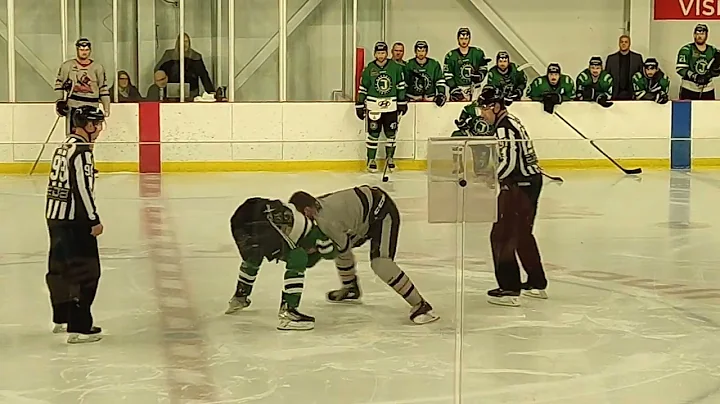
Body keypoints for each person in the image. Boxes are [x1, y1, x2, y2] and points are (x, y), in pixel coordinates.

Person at [289, 186, 439, 325]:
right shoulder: (319, 208)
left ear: (307, 211)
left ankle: (421, 305)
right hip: (368, 213)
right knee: (339, 245)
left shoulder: (325, 221)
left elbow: (341, 247)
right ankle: (350, 287)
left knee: (381, 263)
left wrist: (314, 251)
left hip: (381, 214)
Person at [475, 87, 547, 307]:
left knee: (502, 235)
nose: (482, 114)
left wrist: (491, 178)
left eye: (484, 109)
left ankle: (509, 289)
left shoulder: (504, 128)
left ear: (496, 107)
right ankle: (536, 283)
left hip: (518, 186)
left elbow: (510, 162)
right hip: (530, 182)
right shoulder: (510, 121)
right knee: (523, 235)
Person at [226, 197, 338, 330]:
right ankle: (288, 313)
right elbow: (329, 251)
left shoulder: (293, 218)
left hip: (241, 219)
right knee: (298, 256)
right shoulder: (311, 231)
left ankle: (240, 297)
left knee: (255, 254)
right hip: (262, 219)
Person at [45, 105, 106, 344]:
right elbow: (81, 189)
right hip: (75, 221)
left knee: (59, 269)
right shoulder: (81, 151)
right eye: (97, 124)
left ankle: (62, 318)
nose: (100, 129)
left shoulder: (64, 146)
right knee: (86, 272)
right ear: (87, 125)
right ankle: (79, 327)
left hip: (55, 217)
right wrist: (93, 219)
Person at [356, 41, 407, 173]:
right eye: (378, 53)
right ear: (374, 54)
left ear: (387, 52)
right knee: (373, 134)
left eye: (383, 52)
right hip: (374, 107)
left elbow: (400, 85)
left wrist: (402, 102)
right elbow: (363, 88)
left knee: (391, 134)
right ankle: (371, 160)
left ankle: (390, 158)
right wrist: (360, 103)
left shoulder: (395, 67)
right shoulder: (369, 69)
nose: (380, 55)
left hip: (391, 107)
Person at [54, 38, 111, 133]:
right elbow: (59, 83)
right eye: (81, 50)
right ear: (77, 50)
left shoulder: (97, 68)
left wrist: (106, 107)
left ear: (90, 50)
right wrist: (60, 102)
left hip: (92, 106)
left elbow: (103, 88)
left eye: (86, 50)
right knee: (73, 133)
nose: (84, 52)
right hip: (73, 106)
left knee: (90, 133)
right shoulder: (67, 66)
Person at [156, 33, 215, 100]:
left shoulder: (195, 56)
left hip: (192, 93)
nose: (184, 44)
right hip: (171, 94)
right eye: (182, 41)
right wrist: (162, 83)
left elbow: (204, 76)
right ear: (178, 43)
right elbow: (158, 71)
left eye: (186, 41)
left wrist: (211, 92)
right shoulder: (169, 55)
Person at [443, 27, 491, 101]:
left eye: (466, 39)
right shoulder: (451, 56)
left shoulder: (478, 53)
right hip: (458, 89)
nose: (464, 41)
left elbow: (483, 67)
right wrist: (454, 88)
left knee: (476, 109)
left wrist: (480, 76)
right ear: (458, 39)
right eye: (462, 39)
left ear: (469, 39)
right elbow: (447, 74)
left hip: (475, 88)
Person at [676, 24, 719, 100]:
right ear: (694, 34)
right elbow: (680, 69)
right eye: (697, 33)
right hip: (689, 89)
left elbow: (716, 69)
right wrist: (695, 76)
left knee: (708, 111)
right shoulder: (686, 49)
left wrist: (711, 74)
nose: (699, 36)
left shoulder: (713, 50)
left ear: (706, 35)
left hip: (708, 89)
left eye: (702, 33)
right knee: (686, 111)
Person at [404, 41, 447, 106]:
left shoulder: (434, 64)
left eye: (423, 51)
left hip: (430, 98)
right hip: (412, 99)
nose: (421, 53)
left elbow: (439, 81)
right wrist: (402, 97)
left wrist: (441, 94)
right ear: (415, 51)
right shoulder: (408, 65)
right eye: (419, 51)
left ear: (426, 52)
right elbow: (404, 83)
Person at [605, 35, 644, 100]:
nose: (623, 44)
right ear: (619, 44)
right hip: (615, 93)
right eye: (621, 42)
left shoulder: (637, 58)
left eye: (626, 42)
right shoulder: (611, 58)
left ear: (629, 44)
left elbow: (641, 75)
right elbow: (607, 76)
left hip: (632, 93)